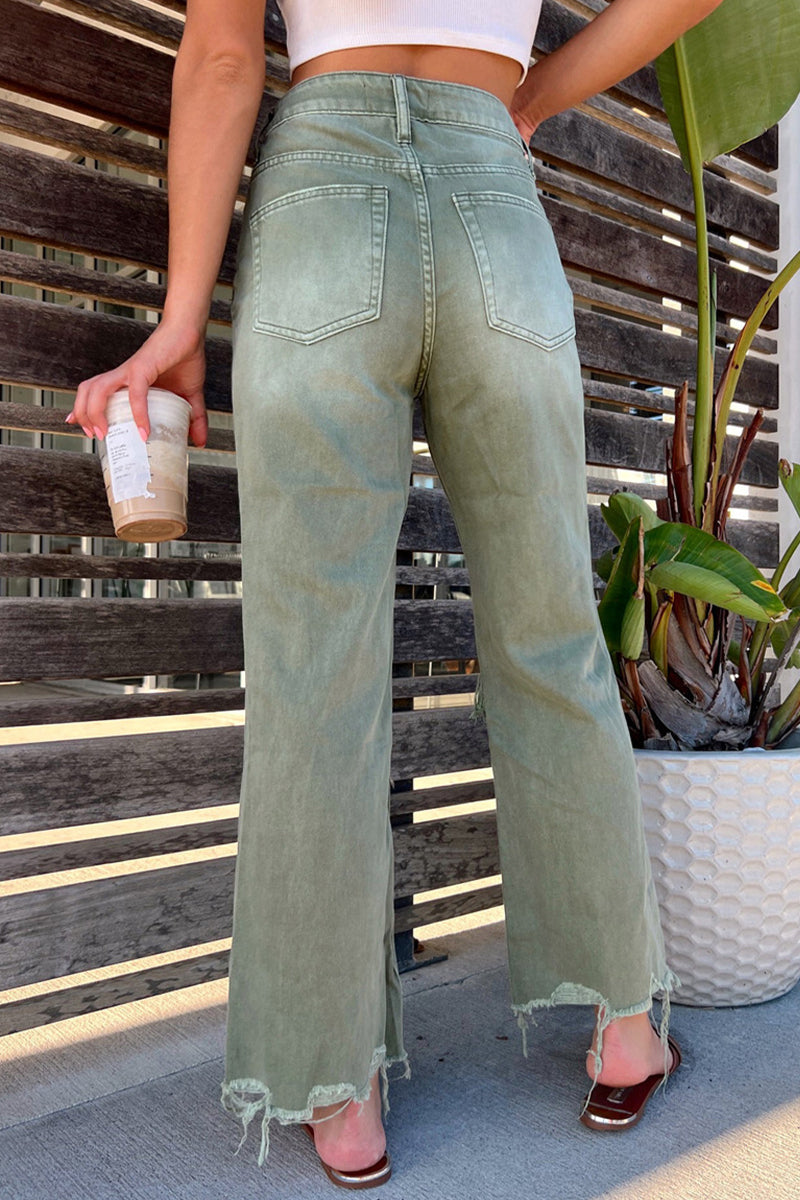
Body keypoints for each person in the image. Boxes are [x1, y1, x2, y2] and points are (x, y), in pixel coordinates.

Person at [68, 0, 724, 1188]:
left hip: (321, 195)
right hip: (490, 189)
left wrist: (178, 322)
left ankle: (339, 1088)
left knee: (313, 667)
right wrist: (529, 96)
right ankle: (626, 1028)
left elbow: (223, 57)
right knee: (550, 637)